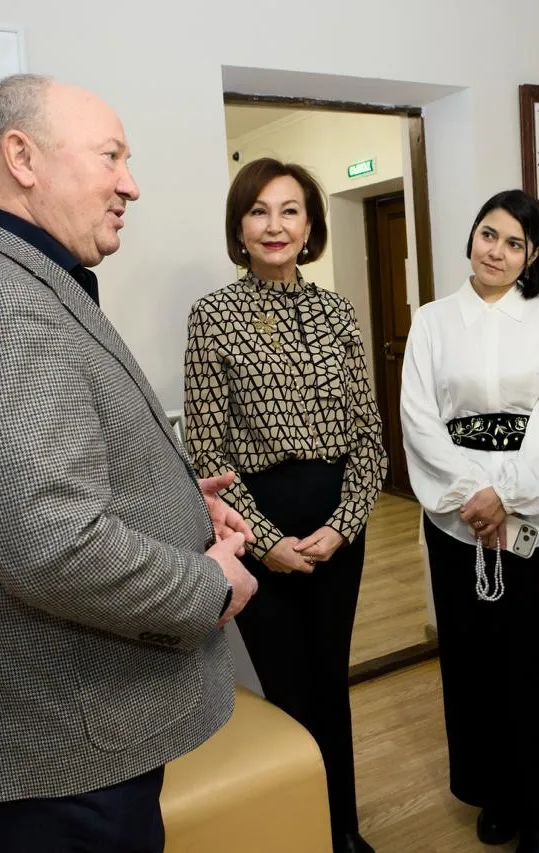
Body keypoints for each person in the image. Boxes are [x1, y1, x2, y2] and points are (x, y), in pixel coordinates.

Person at [0, 74, 258, 853]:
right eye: (110, 156)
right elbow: (54, 546)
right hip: (59, 742)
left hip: (72, 728)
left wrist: (173, 498)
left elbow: (39, 480)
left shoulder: (9, 275)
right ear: (22, 157)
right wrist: (211, 585)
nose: (131, 185)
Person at [183, 157, 387, 853]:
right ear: (240, 227)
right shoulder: (213, 316)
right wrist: (266, 542)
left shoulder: (337, 311)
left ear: (310, 226)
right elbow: (208, 454)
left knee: (330, 681)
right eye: (259, 211)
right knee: (289, 690)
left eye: (290, 210)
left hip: (336, 523)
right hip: (253, 523)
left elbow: (368, 439)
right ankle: (306, 833)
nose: (275, 226)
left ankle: (344, 829)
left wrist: (343, 524)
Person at [401, 189, 539, 853]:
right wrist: (471, 496)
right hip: (457, 521)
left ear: (532, 255)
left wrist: (506, 495)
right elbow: (419, 419)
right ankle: (492, 791)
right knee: (469, 657)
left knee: (530, 659)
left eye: (514, 243)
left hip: (534, 518)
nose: (497, 252)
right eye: (489, 234)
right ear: (472, 237)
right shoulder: (432, 321)